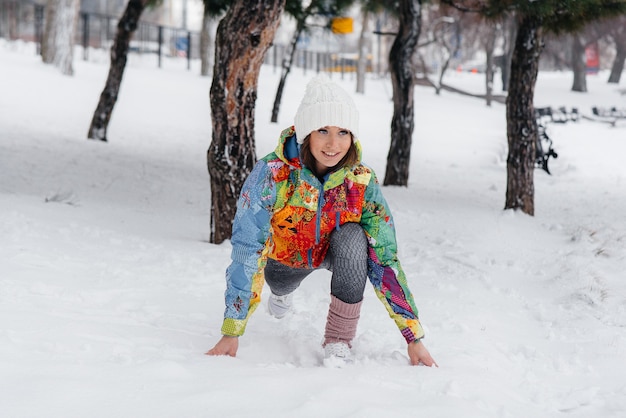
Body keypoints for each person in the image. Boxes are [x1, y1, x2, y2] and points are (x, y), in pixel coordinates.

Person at [206, 75, 437, 367]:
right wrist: (232, 328)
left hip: (335, 249)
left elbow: (384, 257)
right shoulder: (272, 174)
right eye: (323, 130)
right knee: (279, 283)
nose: (333, 143)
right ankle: (281, 293)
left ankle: (338, 340)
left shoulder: (361, 180)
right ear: (306, 134)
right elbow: (248, 247)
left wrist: (413, 337)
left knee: (355, 239)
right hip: (285, 260)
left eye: (343, 132)